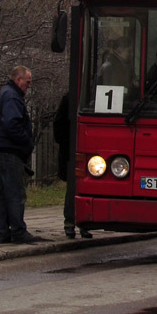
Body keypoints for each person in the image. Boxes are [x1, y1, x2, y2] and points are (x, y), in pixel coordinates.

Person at [0, 65, 42, 244]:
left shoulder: (7, 94)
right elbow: (12, 124)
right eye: (27, 83)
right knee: (15, 192)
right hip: (9, 150)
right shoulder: (12, 97)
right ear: (18, 79)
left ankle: (3, 232)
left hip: (0, 148)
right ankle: (18, 230)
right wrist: (26, 141)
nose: (29, 86)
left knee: (4, 192)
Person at [53, 93, 91, 239]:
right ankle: (71, 222)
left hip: (83, 149)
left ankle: (83, 222)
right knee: (73, 189)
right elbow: (59, 125)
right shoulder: (71, 97)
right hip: (71, 150)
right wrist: (67, 144)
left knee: (84, 187)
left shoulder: (82, 96)